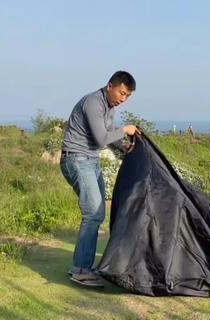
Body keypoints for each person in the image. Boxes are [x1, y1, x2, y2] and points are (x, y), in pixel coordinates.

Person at [60, 71, 141, 287]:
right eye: (122, 93)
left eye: (127, 96)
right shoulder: (93, 103)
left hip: (90, 159)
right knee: (93, 213)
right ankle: (80, 269)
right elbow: (101, 137)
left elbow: (105, 135)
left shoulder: (109, 107)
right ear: (110, 86)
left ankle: (83, 266)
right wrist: (124, 130)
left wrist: (120, 146)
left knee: (97, 213)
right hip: (76, 159)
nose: (123, 99)